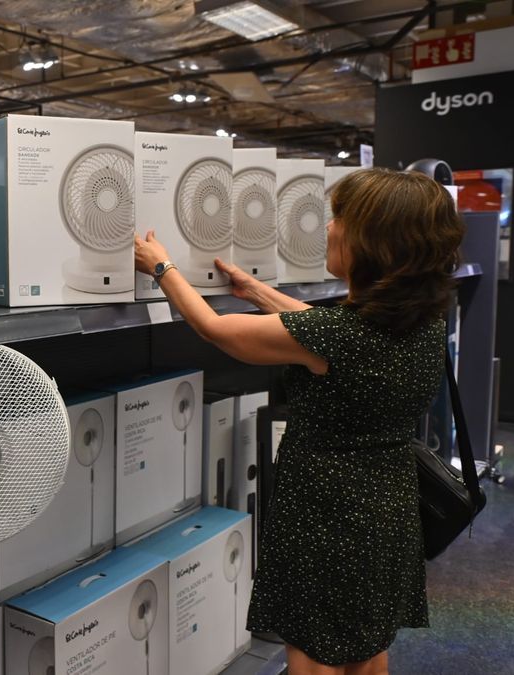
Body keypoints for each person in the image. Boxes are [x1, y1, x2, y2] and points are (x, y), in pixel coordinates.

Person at [134, 168, 463, 675]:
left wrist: (162, 267)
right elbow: (321, 327)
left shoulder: (337, 336)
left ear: (375, 244)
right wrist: (259, 291)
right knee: (369, 645)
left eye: (340, 219)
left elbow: (217, 330)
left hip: (324, 511)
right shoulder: (423, 324)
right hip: (390, 506)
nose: (329, 229)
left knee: (312, 654)